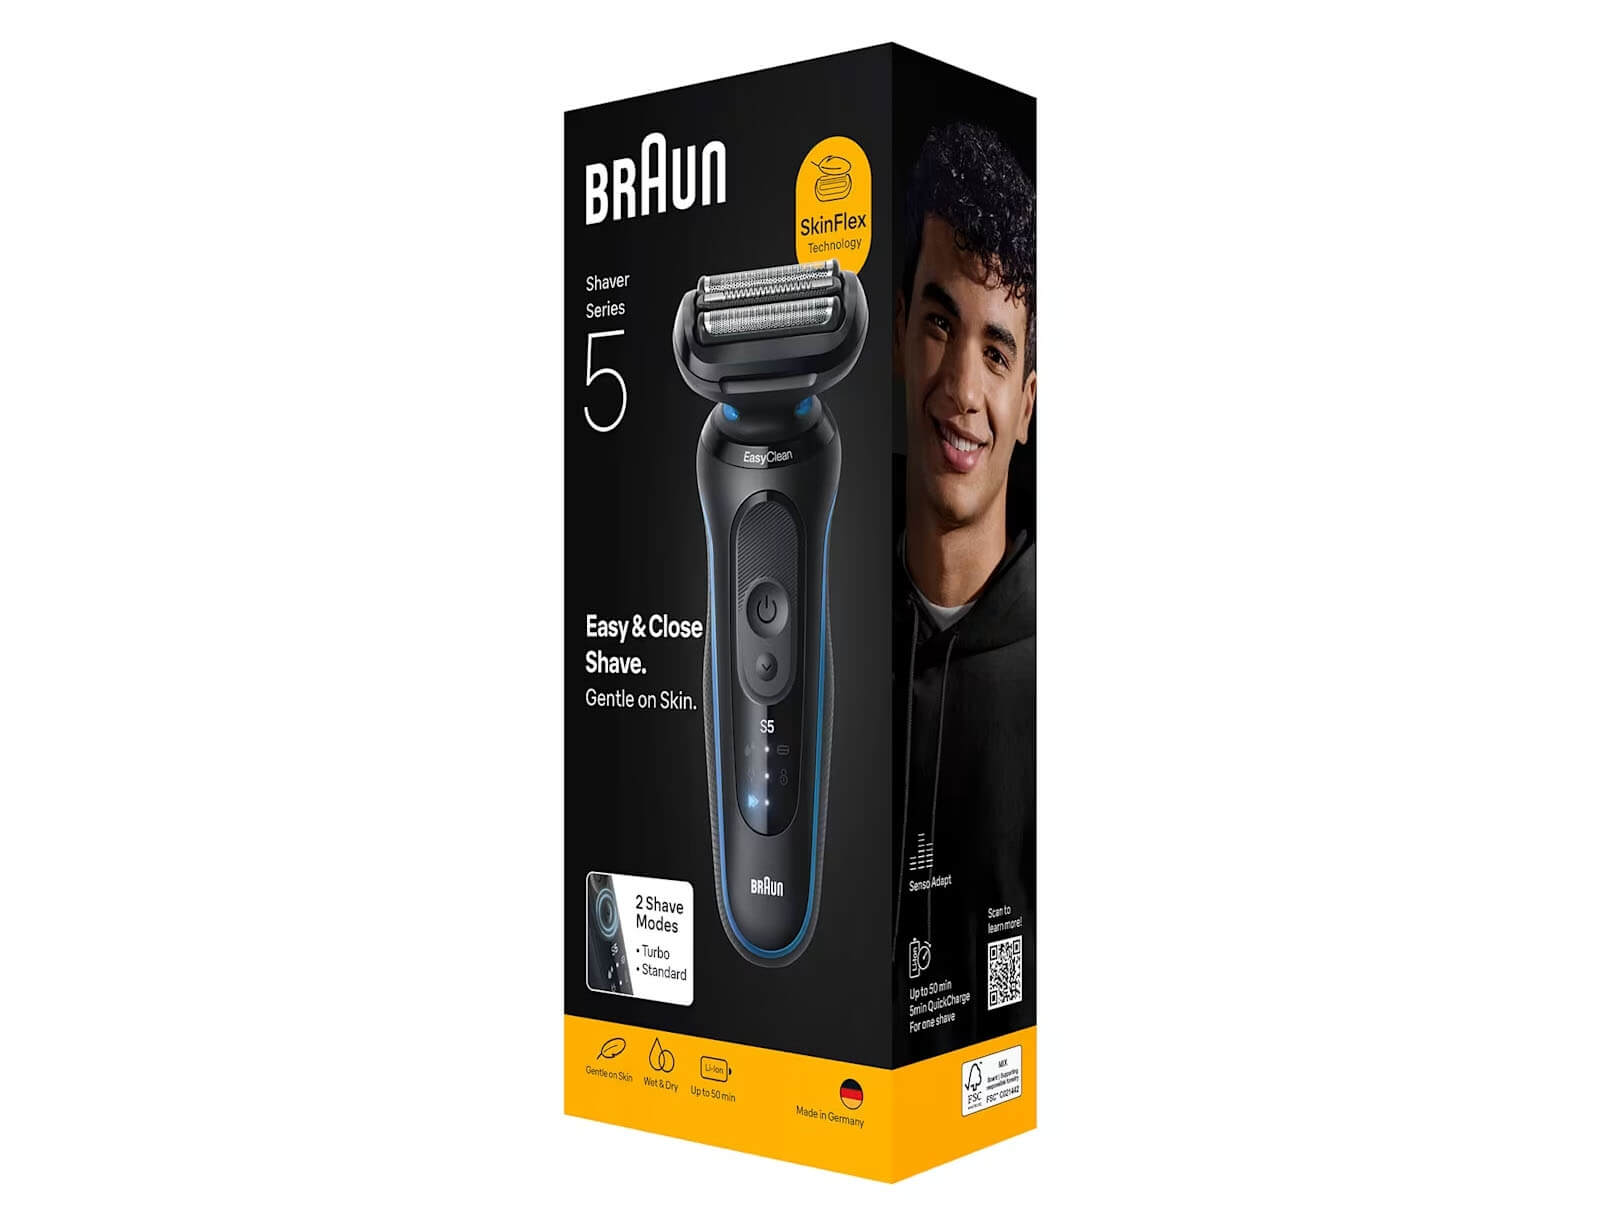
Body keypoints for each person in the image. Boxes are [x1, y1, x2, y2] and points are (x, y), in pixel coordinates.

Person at [892, 122, 1036, 1059]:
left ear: (1028, 403)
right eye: (942, 324)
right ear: (900, 332)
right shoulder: (827, 626)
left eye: (997, 352)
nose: (961, 388)